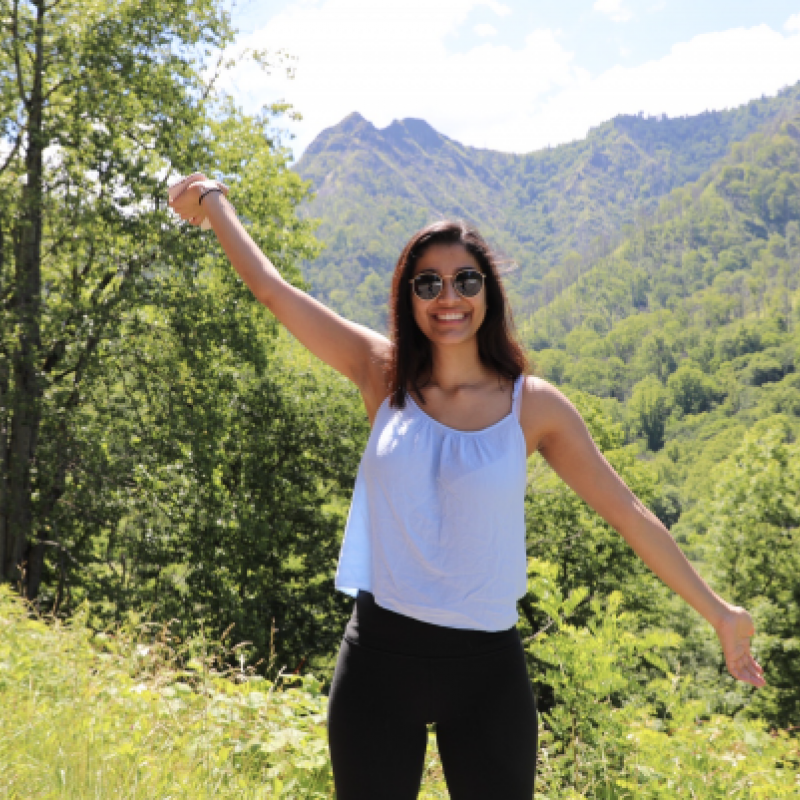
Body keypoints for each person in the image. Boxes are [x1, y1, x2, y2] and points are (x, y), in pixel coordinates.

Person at [169, 174, 765, 800]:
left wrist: (720, 614)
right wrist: (212, 199)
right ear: (408, 296)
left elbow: (630, 513)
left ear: (489, 293)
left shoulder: (533, 406)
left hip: (486, 676)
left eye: (465, 281)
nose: (447, 297)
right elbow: (272, 289)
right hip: (377, 663)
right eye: (428, 283)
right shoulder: (382, 374)